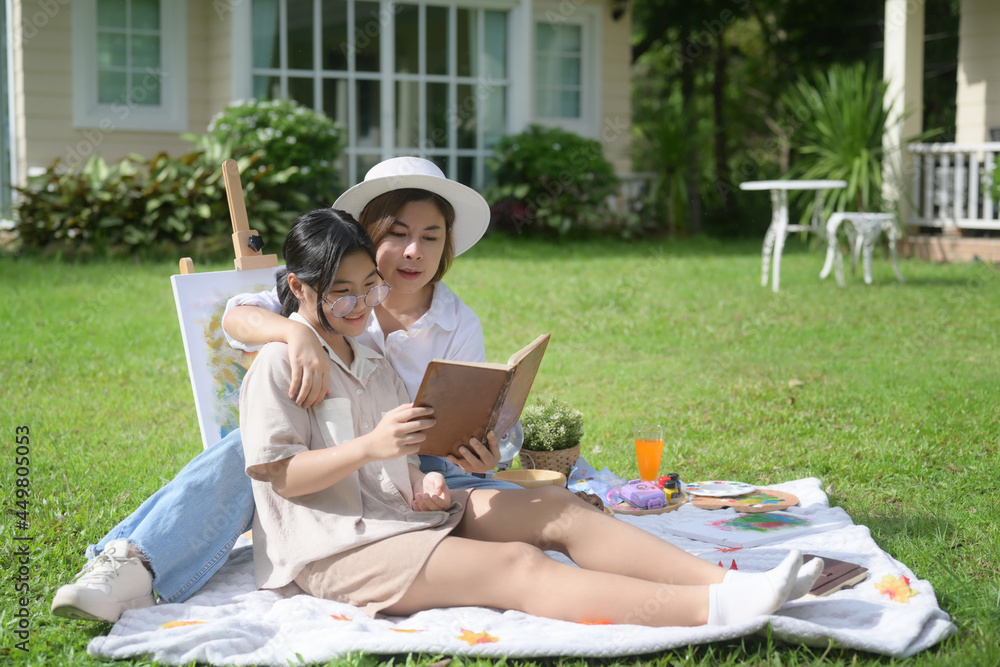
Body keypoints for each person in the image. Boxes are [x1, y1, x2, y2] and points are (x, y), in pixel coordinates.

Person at [242, 208, 824, 626]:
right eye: (342, 293)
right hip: (335, 547)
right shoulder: (278, 362)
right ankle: (717, 609)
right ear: (299, 288)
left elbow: (404, 460)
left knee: (554, 505)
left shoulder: (370, 358)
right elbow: (281, 477)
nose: (361, 305)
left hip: (403, 515)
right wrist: (371, 447)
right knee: (516, 563)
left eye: (370, 289)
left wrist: (424, 482)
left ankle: (732, 581)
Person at [50, 157, 521, 624]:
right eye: (397, 234)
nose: (414, 251)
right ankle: (134, 563)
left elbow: (465, 413)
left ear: (447, 245)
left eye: (431, 237)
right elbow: (236, 317)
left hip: (417, 468)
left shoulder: (457, 321)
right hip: (321, 453)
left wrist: (478, 453)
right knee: (247, 448)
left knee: (510, 502)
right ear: (366, 236)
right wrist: (295, 334)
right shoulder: (320, 290)